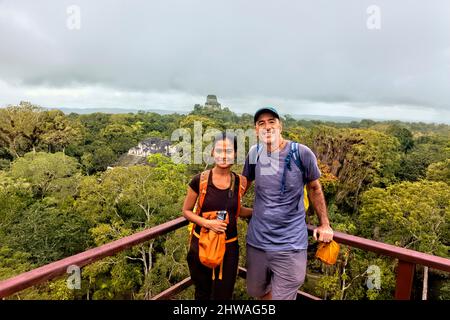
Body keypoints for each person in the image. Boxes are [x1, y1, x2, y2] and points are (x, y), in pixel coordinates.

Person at [242, 107, 334, 300]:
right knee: (256, 291)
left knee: (283, 295)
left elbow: (315, 189)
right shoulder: (255, 153)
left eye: (271, 122)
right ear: (256, 130)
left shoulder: (301, 153)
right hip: (257, 241)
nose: (267, 127)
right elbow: (242, 185)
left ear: (280, 126)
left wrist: (324, 224)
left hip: (290, 244)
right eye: (261, 123)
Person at [182, 132, 252, 300]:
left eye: (229, 151)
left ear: (235, 154)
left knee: (224, 294)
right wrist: (208, 223)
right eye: (219, 150)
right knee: (202, 292)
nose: (224, 155)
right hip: (201, 244)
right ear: (213, 152)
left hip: (229, 247)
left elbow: (235, 210)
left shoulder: (240, 182)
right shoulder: (200, 180)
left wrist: (258, 212)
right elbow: (186, 211)